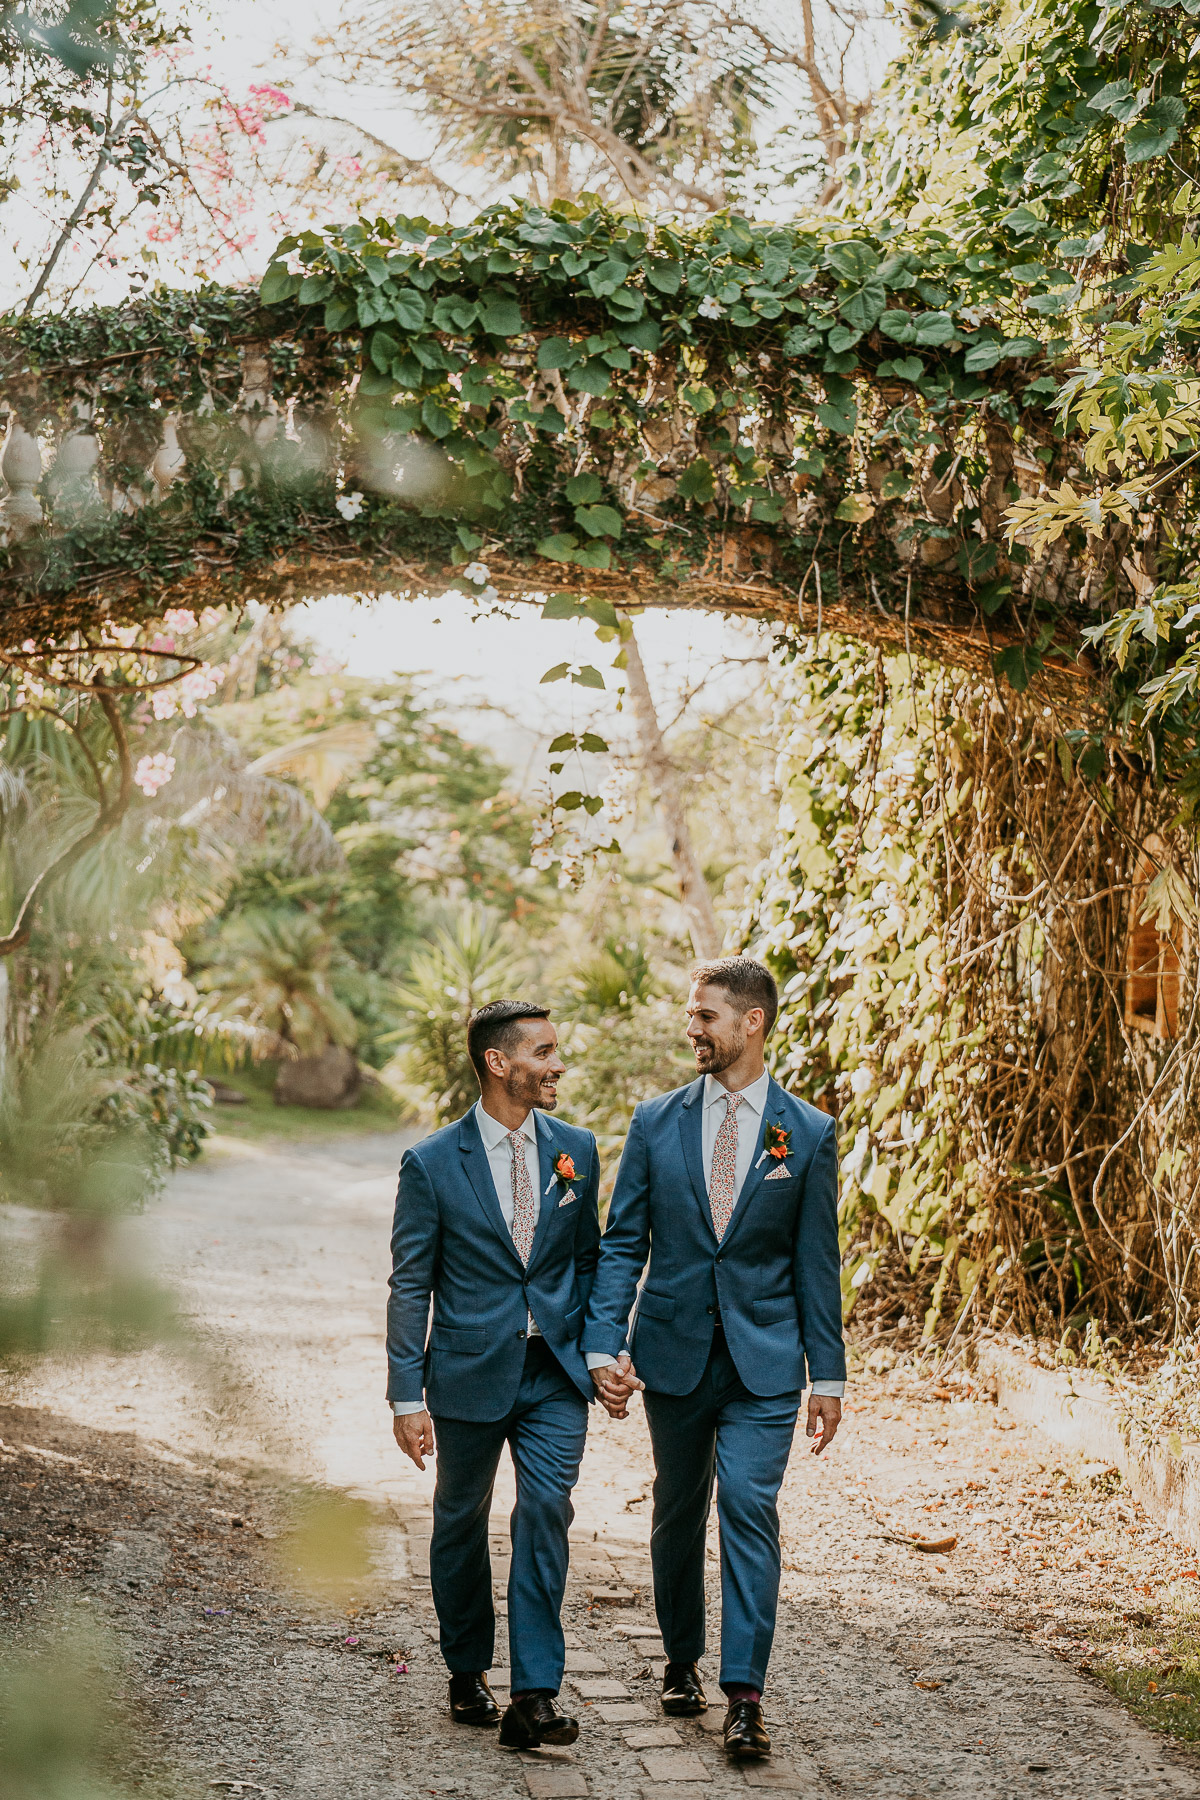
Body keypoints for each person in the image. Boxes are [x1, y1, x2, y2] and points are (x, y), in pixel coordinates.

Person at [583, 956, 845, 1763]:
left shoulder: (806, 1132)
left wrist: (827, 1374)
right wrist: (603, 1341)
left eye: (706, 1016)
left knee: (748, 1509)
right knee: (676, 1511)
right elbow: (625, 1240)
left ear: (752, 1022)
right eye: (691, 1014)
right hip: (674, 1352)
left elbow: (815, 1261)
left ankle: (745, 1697)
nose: (692, 1028)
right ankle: (679, 1659)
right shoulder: (655, 1120)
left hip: (767, 1361)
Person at [387, 999, 601, 1751]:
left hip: (553, 1374)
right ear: (498, 1063)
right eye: (544, 1052)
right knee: (459, 1520)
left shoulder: (577, 1148)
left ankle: (536, 1694)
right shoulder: (433, 1162)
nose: (558, 1065)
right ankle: (466, 1666)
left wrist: (601, 1351)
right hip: (468, 1371)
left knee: (546, 1513)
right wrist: (407, 1394)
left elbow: (587, 1262)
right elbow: (412, 1283)